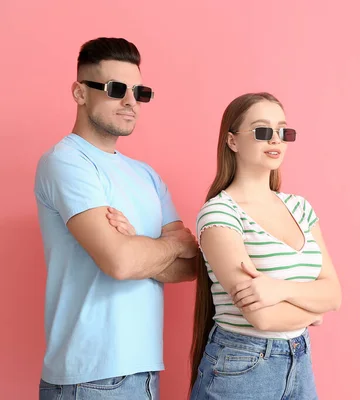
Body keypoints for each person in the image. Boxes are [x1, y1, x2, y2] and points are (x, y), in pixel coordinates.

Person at [34, 37, 198, 399]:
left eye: (139, 92)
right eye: (116, 89)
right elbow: (121, 262)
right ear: (79, 92)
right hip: (88, 377)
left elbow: (192, 266)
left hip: (143, 373)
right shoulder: (66, 161)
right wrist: (169, 244)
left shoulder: (146, 175)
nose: (130, 101)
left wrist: (136, 243)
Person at [189, 92, 342, 399]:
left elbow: (334, 295)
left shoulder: (300, 207)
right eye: (262, 131)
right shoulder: (220, 212)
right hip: (241, 365)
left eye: (283, 132)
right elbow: (263, 318)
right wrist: (312, 312)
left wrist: (279, 289)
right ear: (232, 141)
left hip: (299, 358)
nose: (275, 140)